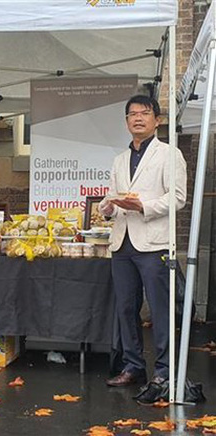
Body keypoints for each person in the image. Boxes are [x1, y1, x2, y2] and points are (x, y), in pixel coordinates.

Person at [99, 95, 187, 391]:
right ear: (126, 122)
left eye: (144, 113)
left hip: (153, 243)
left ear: (157, 120)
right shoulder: (119, 160)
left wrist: (143, 207)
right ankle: (133, 366)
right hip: (122, 243)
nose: (138, 118)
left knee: (160, 309)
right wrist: (109, 207)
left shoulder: (169, 154)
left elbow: (177, 198)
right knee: (126, 308)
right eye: (132, 114)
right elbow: (113, 195)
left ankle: (164, 370)